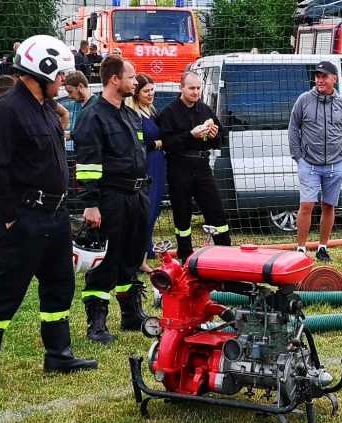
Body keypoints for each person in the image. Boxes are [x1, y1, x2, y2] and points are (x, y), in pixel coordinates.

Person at [0, 34, 97, 391]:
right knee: (6, 289)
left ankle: (58, 354)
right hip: (24, 217)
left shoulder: (45, 107)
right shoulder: (6, 110)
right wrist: (8, 218)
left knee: (59, 285)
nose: (64, 82)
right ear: (40, 71)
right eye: (60, 75)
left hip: (55, 217)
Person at [71, 56, 152, 344]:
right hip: (110, 198)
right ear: (114, 79)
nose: (136, 82)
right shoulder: (93, 116)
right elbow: (87, 165)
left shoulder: (130, 115)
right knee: (105, 261)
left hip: (136, 196)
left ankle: (131, 314)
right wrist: (91, 203)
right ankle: (97, 324)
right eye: (131, 77)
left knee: (131, 257)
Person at [157, 71, 230, 263]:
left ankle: (225, 253)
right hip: (179, 167)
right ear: (181, 88)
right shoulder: (169, 113)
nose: (196, 92)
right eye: (191, 88)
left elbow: (220, 138)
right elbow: (166, 143)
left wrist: (214, 135)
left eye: (198, 88)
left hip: (202, 166)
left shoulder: (205, 110)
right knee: (182, 213)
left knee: (215, 209)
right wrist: (190, 135)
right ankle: (185, 256)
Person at [288, 60, 342, 262]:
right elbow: (293, 128)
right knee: (307, 205)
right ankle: (301, 249)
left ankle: (322, 247)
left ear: (335, 79)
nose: (320, 80)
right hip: (309, 164)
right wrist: (298, 157)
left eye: (324, 76)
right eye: (317, 76)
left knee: (328, 206)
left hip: (336, 164)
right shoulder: (304, 100)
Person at [128, 74, 167, 267]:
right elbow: (137, 144)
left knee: (154, 209)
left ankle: (146, 250)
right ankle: (139, 259)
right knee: (147, 212)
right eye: (146, 91)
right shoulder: (133, 114)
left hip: (158, 165)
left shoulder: (150, 110)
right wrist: (157, 143)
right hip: (146, 165)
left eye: (152, 89)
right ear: (136, 93)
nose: (151, 94)